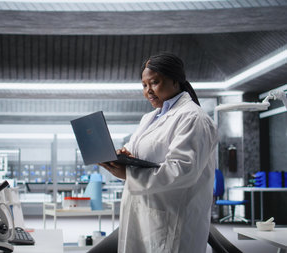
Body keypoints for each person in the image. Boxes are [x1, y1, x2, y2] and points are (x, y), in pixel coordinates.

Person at [91, 52, 217, 253]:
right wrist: (125, 156)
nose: (148, 90)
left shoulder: (193, 118)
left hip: (172, 220)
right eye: (144, 85)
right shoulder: (149, 118)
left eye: (154, 83)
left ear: (176, 81)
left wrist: (128, 174)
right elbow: (140, 152)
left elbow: (182, 170)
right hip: (143, 214)